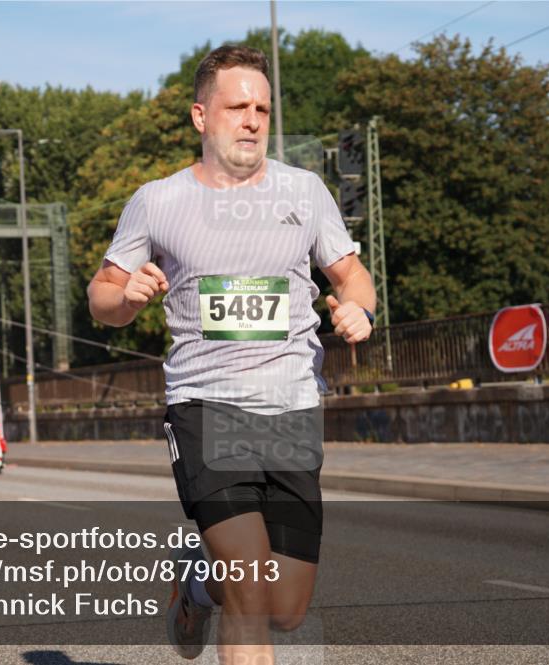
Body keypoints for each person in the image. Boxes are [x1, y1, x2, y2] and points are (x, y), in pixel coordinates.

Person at [88, 45, 374, 663]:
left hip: (292, 409)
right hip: (205, 407)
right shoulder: (157, 201)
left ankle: (195, 583)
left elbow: (353, 276)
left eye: (263, 109)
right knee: (249, 585)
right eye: (237, 106)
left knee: (286, 608)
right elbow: (100, 296)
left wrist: (360, 308)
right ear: (200, 116)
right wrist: (127, 295)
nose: (252, 120)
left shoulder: (305, 191)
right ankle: (217, 579)